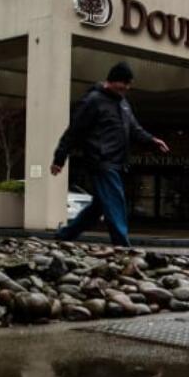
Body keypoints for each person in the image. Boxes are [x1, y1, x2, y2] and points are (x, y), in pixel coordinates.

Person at [49, 61, 168, 246]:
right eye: (124, 83)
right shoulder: (92, 101)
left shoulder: (123, 103)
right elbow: (74, 131)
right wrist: (59, 158)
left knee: (99, 206)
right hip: (101, 160)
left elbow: (134, 129)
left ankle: (65, 234)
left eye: (129, 84)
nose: (127, 88)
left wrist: (152, 140)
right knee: (115, 199)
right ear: (112, 81)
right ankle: (122, 244)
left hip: (119, 161)